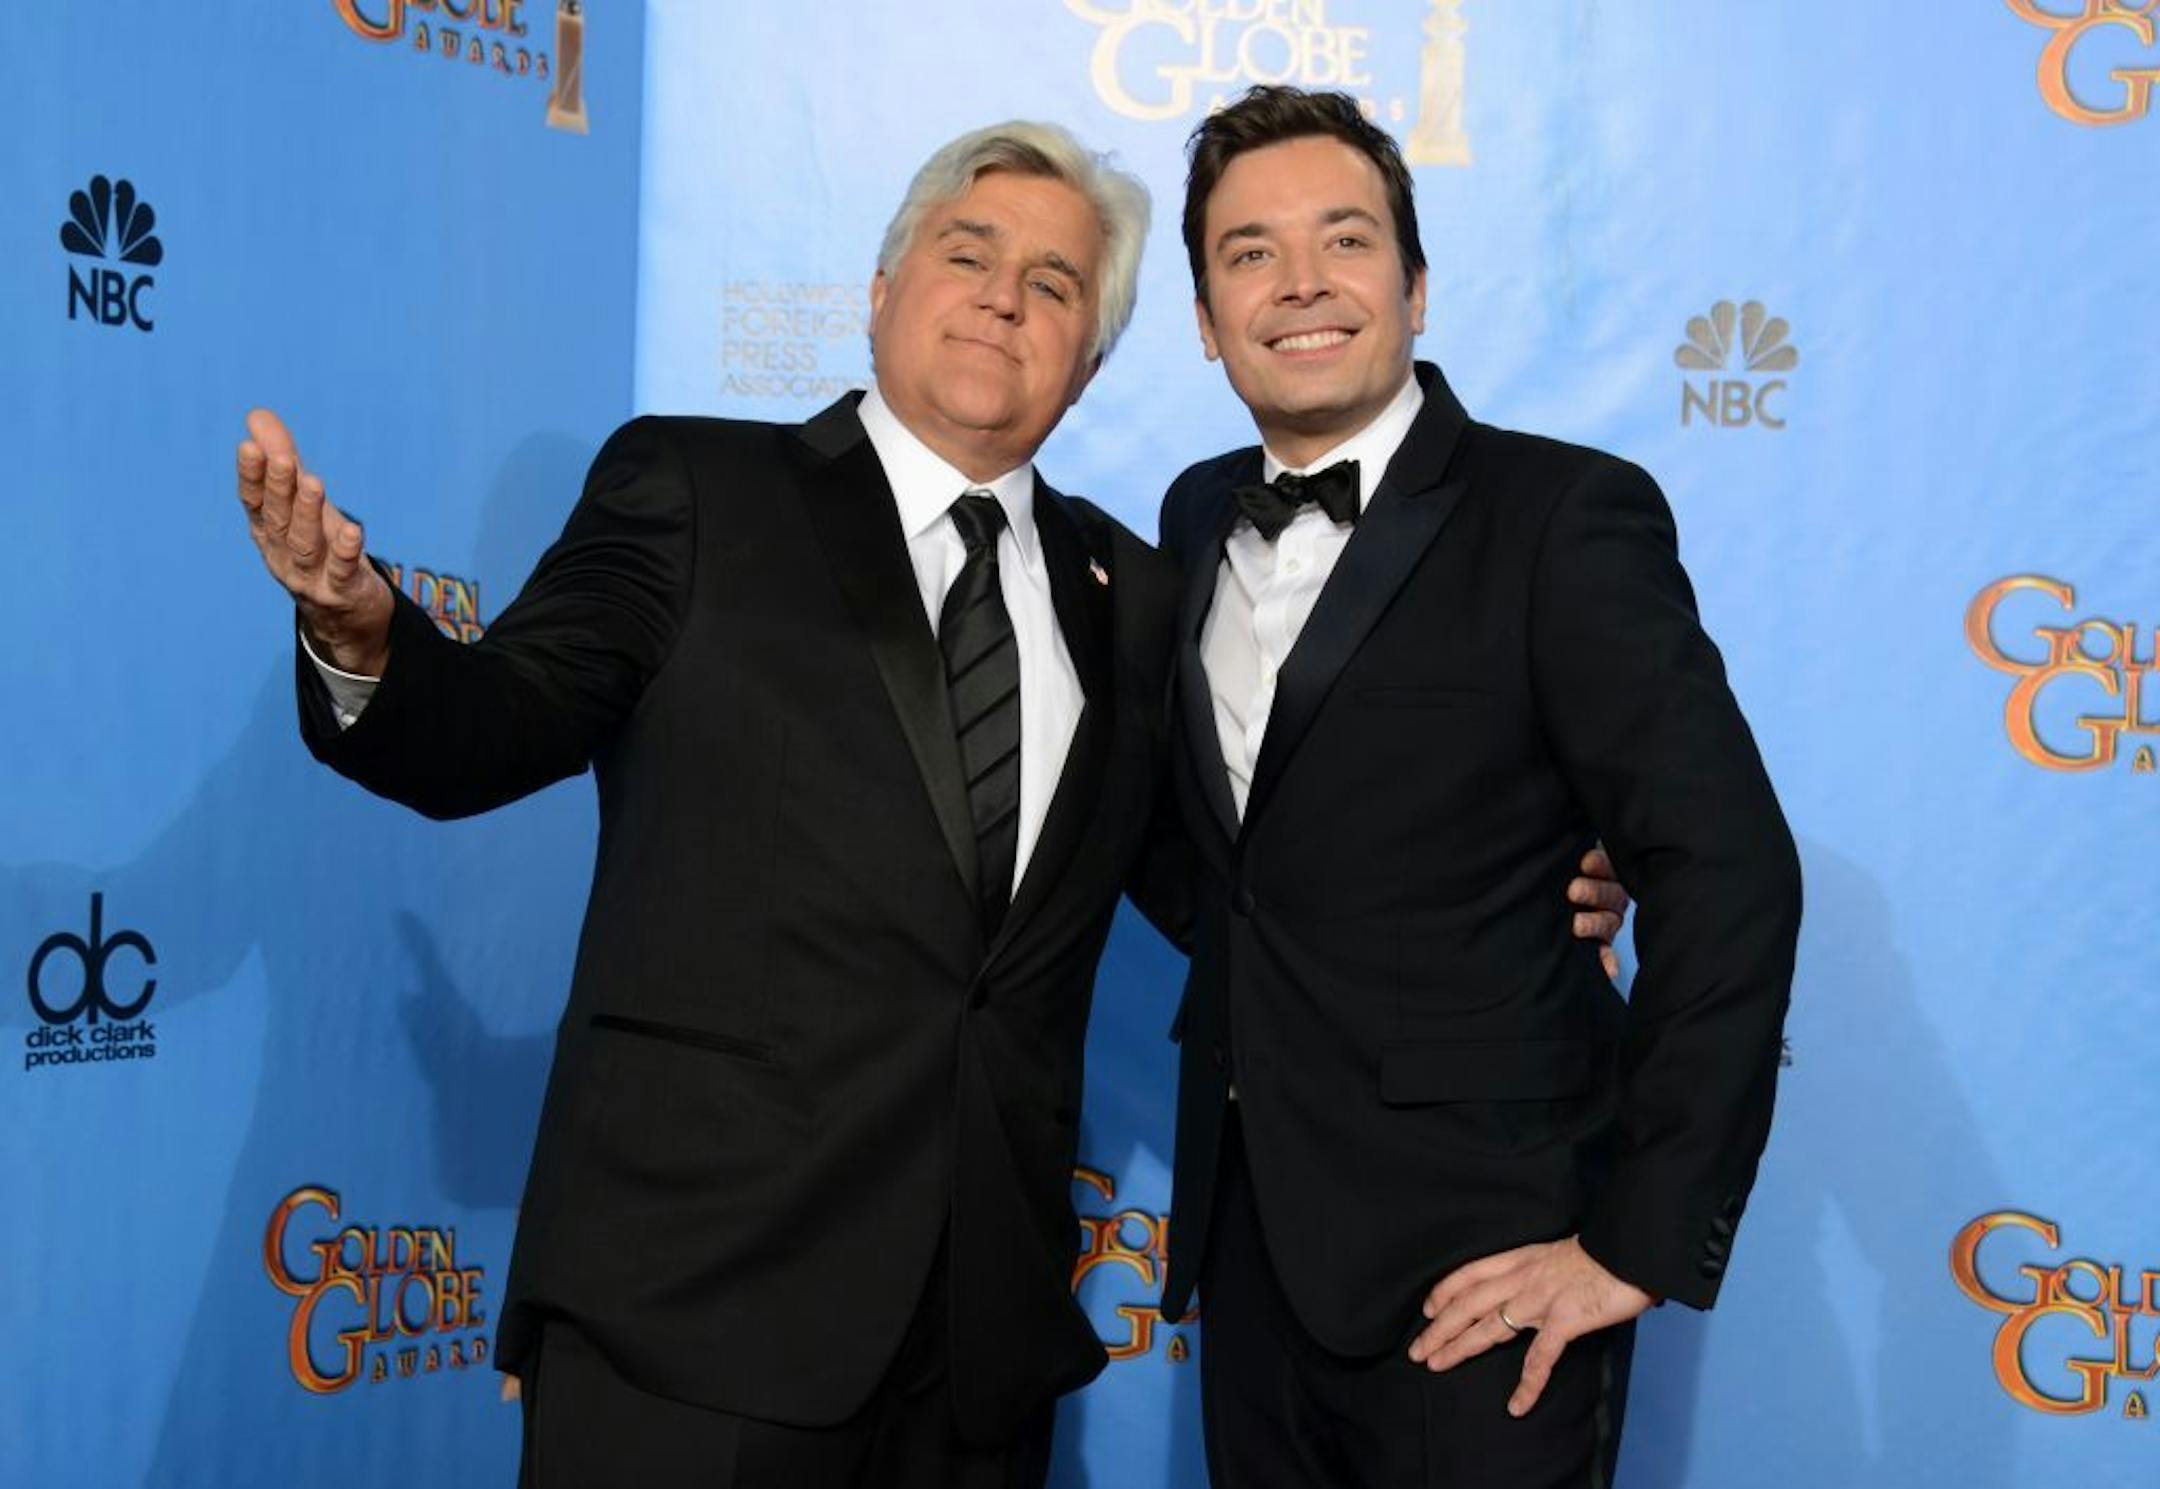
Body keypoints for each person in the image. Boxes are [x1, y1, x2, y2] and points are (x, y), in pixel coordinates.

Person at [233, 117, 1627, 1488]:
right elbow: (486, 730)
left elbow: (1243, 894)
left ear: (1091, 361)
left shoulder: (1135, 593)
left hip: (978, 1358)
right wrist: (364, 636)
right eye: (969, 254)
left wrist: (1514, 874)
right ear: (882, 290)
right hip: (690, 1318)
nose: (1005, 297)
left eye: (1055, 283)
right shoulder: (695, 488)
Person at [1153, 87, 1803, 1488]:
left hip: (1490, 1262)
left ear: (1417, 285)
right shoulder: (1195, 514)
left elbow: (1729, 866)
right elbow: (1239, 863)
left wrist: (1636, 1238)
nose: (1302, 282)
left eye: (1346, 239)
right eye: (1251, 252)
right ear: (1205, 317)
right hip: (1250, 1257)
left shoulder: (1563, 514)